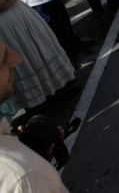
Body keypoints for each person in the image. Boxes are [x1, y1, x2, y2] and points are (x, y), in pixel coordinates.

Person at [0, 0, 75, 110]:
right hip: (3, 29)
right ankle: (36, 105)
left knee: (39, 51)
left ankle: (57, 90)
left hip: (20, 12)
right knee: (20, 63)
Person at [0, 40, 70, 192]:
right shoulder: (26, 177)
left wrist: (20, 146)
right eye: (3, 60)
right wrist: (29, 160)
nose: (16, 58)